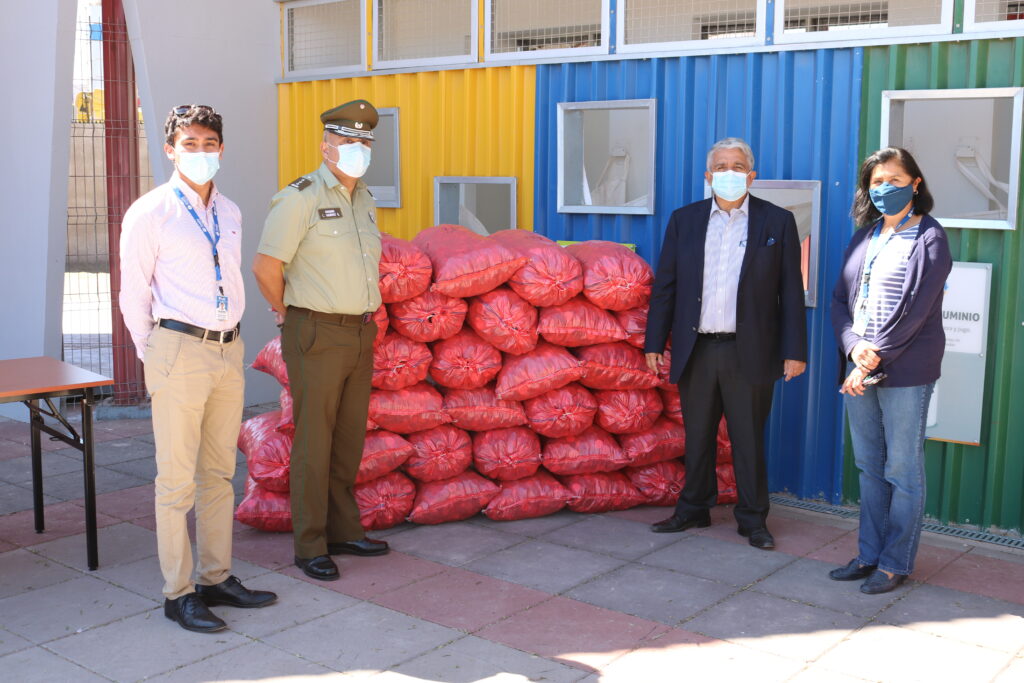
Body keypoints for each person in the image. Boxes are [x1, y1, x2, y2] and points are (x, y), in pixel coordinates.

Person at [120, 104, 277, 633]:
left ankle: (215, 578)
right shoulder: (150, 212)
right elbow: (133, 294)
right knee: (175, 481)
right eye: (190, 144)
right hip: (177, 350)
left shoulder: (229, 211)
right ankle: (178, 592)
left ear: (222, 150)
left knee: (218, 474)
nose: (201, 153)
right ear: (170, 150)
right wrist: (155, 355)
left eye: (210, 144)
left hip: (227, 349)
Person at [644, 137, 807, 550]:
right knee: (696, 434)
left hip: (749, 350)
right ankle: (693, 508)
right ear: (707, 175)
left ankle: (753, 520)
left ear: (752, 176)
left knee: (747, 438)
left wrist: (795, 351)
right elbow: (666, 286)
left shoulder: (776, 222)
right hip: (696, 347)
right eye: (721, 166)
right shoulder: (685, 220)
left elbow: (791, 291)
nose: (729, 173)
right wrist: (654, 341)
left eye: (737, 166)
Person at [252, 99, 387, 582]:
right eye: (348, 141)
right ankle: (310, 543)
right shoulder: (300, 198)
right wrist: (290, 313)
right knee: (314, 438)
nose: (357, 149)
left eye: (364, 141)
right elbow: (267, 267)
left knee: (349, 437)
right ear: (326, 146)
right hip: (316, 330)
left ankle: (343, 529)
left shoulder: (365, 200)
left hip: (359, 331)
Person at [829, 147, 951, 594]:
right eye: (876, 182)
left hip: (905, 369)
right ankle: (868, 555)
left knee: (902, 469)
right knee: (869, 467)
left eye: (894, 180)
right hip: (859, 363)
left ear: (915, 183)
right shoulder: (865, 236)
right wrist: (854, 346)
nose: (884, 189)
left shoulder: (930, 237)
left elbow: (916, 312)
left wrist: (871, 357)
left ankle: (895, 561)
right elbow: (841, 300)